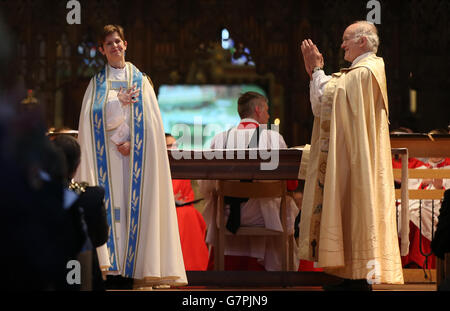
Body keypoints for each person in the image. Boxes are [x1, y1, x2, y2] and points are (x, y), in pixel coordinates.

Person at [75, 24, 187, 288]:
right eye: (109, 43)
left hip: (136, 161)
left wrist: (133, 142)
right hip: (109, 162)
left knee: (135, 210)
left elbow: (152, 124)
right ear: (102, 50)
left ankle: (137, 270)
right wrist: (117, 105)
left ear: (125, 45)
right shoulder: (97, 84)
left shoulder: (142, 81)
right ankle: (111, 270)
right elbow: (90, 120)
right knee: (113, 212)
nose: (115, 46)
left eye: (118, 41)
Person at [299, 21, 404, 290]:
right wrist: (316, 72)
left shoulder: (366, 72)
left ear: (363, 42)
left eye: (347, 39)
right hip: (354, 157)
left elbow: (328, 99)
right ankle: (347, 276)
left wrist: (317, 70)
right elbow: (328, 102)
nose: (342, 44)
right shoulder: (358, 74)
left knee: (352, 213)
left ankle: (352, 279)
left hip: (356, 163)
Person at [198, 91, 300, 271]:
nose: (268, 116)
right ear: (258, 109)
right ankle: (281, 275)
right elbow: (290, 183)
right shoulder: (273, 138)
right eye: (267, 110)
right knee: (288, 203)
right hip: (266, 219)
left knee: (217, 201)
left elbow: (206, 186)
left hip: (228, 216)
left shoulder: (220, 139)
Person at [52, 134, 110, 290]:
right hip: (85, 275)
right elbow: (101, 237)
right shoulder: (92, 196)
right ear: (77, 165)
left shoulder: (32, 195)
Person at [165, 134, 209, 271]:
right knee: (184, 216)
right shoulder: (156, 167)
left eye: (176, 146)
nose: (174, 149)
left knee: (190, 215)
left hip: (185, 206)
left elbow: (191, 194)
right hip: (165, 209)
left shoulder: (183, 165)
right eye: (169, 146)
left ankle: (195, 269)